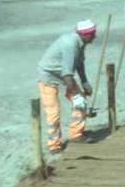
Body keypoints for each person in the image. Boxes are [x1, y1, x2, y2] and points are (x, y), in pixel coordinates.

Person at [36, 19, 97, 154]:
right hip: (48, 75)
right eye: (93, 34)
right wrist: (74, 95)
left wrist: (85, 82)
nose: (95, 37)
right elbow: (67, 72)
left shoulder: (81, 43)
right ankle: (54, 145)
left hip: (63, 74)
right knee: (53, 111)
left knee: (81, 103)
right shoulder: (70, 44)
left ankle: (76, 134)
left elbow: (79, 64)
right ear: (86, 34)